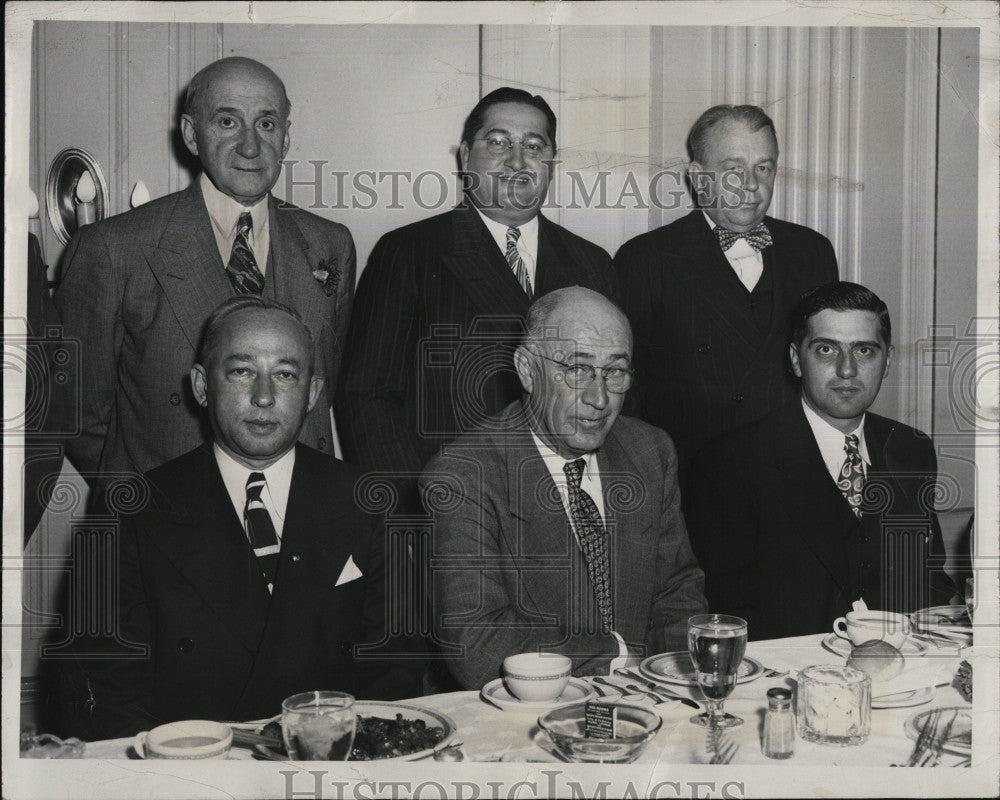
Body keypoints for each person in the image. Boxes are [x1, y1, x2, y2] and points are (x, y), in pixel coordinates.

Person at [58, 297, 419, 739]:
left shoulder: (368, 502)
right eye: (241, 371)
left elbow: (393, 677)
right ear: (201, 385)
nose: (264, 396)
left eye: (285, 375)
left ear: (313, 393)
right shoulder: (128, 510)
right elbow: (108, 696)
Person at [54, 57, 354, 488]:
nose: (251, 146)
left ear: (286, 138)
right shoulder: (113, 247)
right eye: (228, 122)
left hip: (301, 513)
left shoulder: (330, 245)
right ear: (192, 134)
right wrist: (146, 506)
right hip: (171, 518)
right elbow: (79, 416)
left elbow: (321, 386)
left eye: (267, 124)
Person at [337, 87, 616, 509]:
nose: (518, 161)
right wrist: (418, 510)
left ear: (551, 165)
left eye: (534, 146)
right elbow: (367, 398)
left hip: (567, 511)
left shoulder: (593, 264)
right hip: (454, 511)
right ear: (466, 157)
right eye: (498, 142)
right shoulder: (409, 251)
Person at [421, 287, 707, 690]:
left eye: (615, 372)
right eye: (577, 369)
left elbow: (678, 592)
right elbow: (477, 643)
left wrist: (674, 684)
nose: (599, 398)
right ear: (526, 369)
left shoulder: (649, 450)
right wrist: (615, 657)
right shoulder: (464, 475)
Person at [686, 282, 954, 640]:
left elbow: (929, 581)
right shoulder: (730, 462)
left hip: (901, 678)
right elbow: (725, 614)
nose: (846, 370)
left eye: (864, 351)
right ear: (797, 360)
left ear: (887, 361)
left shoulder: (911, 449)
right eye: (826, 350)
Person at [615, 104, 838, 488]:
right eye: (734, 169)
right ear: (699, 179)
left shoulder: (812, 251)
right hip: (690, 484)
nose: (751, 184)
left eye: (764, 168)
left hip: (790, 478)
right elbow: (626, 389)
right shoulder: (645, 259)